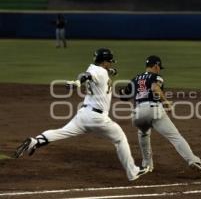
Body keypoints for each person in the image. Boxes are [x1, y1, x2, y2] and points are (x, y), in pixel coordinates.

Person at [14, 48, 149, 181]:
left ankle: (35, 141)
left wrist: (111, 71)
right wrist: (78, 82)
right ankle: (132, 172)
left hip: (83, 115)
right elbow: (85, 76)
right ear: (104, 62)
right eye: (110, 62)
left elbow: (95, 73)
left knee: (62, 131)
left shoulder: (96, 68)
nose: (111, 64)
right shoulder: (98, 72)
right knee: (120, 139)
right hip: (98, 118)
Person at [119, 55, 201, 177]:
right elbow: (155, 87)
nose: (159, 70)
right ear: (155, 66)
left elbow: (124, 96)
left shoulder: (135, 79)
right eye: (159, 67)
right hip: (153, 109)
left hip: (137, 114)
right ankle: (194, 161)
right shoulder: (156, 76)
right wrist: (166, 102)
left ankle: (147, 164)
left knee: (143, 134)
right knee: (175, 136)